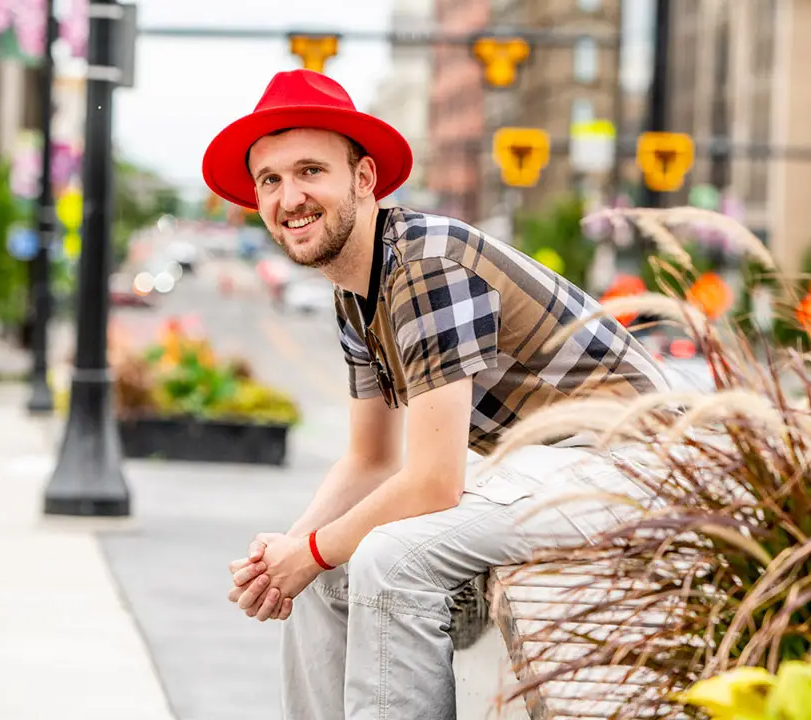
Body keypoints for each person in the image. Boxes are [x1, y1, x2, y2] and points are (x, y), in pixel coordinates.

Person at [203, 69, 672, 720]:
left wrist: (308, 550)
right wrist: (289, 554)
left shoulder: (426, 262)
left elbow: (431, 482)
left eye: (311, 170)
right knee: (321, 572)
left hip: (628, 464)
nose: (290, 196)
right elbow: (370, 461)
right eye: (271, 180)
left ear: (363, 180)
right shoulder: (354, 290)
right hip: (543, 468)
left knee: (388, 559)